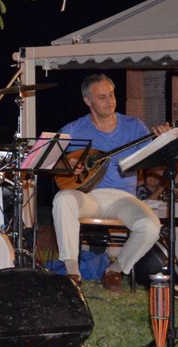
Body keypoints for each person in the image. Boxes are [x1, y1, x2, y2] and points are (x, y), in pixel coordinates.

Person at [52, 73, 164, 290]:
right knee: (63, 199)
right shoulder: (74, 129)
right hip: (88, 196)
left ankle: (115, 270)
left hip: (124, 198)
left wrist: (162, 142)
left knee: (151, 226)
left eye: (111, 94)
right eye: (102, 97)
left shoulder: (134, 126)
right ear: (88, 101)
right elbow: (49, 160)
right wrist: (68, 165)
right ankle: (72, 272)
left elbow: (157, 165)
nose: (110, 101)